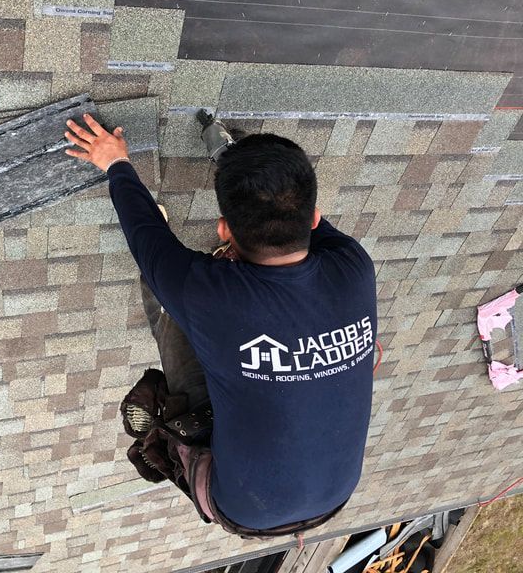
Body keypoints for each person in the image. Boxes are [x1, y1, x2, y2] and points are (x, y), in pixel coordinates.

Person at [64, 113, 377, 533]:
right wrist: (245, 170)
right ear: (315, 217)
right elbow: (298, 220)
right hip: (334, 498)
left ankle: (180, 444)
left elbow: (147, 239)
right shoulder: (354, 266)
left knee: (170, 305)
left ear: (223, 229)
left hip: (241, 508)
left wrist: (117, 164)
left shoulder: (208, 295)